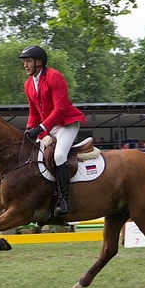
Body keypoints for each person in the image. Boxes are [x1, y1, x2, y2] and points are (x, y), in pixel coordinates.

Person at [19, 45, 87, 216]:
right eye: (24, 62)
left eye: (28, 61)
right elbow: (34, 112)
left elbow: (60, 109)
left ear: (39, 62)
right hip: (48, 127)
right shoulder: (28, 84)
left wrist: (41, 128)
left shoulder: (54, 77)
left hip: (66, 124)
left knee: (59, 156)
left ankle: (64, 200)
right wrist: (28, 130)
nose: (25, 65)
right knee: (35, 157)